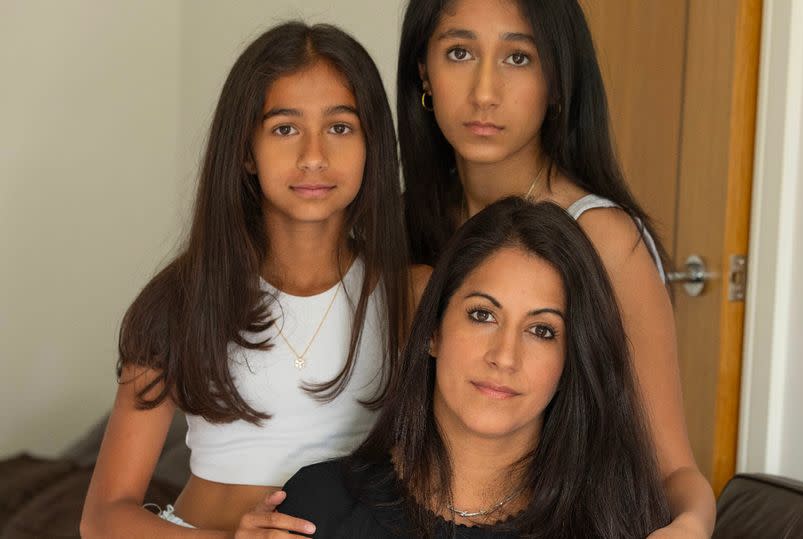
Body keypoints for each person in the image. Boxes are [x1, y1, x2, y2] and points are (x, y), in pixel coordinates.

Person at [81, 22, 428, 537]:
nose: (314, 156)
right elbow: (103, 517)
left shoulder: (412, 294)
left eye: (340, 127)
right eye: (285, 128)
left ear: (371, 144)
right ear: (247, 151)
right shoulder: (181, 300)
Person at [397, 0, 715, 535]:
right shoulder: (401, 224)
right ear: (424, 72)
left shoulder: (603, 237)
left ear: (558, 79)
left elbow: (673, 468)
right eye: (459, 51)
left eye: (518, 58)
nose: (484, 92)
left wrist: (693, 524)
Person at [274, 198, 671, 538]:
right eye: (482, 315)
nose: (504, 356)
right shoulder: (314, 509)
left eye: (541, 330)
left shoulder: (617, 524)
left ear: (572, 359)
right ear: (433, 330)